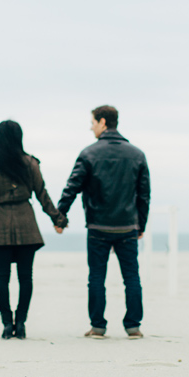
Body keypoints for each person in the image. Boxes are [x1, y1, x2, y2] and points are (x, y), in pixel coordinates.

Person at [56, 105, 150, 339]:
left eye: (93, 122)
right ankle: (133, 327)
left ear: (103, 122)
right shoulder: (136, 154)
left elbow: (72, 187)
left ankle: (98, 327)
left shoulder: (89, 153)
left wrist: (60, 215)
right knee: (132, 277)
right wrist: (142, 225)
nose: (91, 127)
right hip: (128, 225)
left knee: (97, 277)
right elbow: (144, 194)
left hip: (98, 226)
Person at [0, 120, 67, 339]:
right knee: (26, 277)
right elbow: (42, 194)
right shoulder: (30, 163)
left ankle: (7, 323)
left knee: (1, 278)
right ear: (20, 138)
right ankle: (22, 322)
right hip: (26, 222)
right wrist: (58, 219)